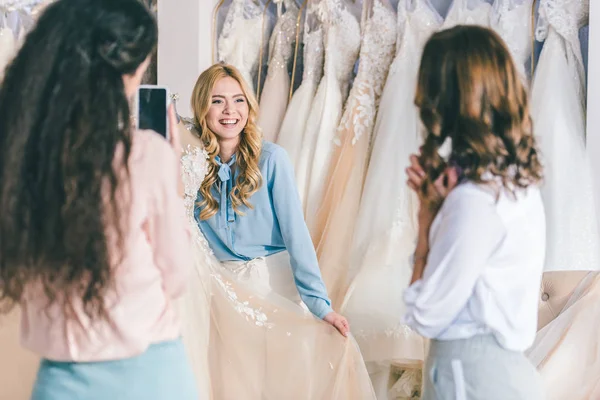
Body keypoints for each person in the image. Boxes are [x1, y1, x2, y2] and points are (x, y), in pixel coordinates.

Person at [0, 0, 197, 399]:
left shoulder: (18, 160)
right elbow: (177, 278)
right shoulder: (146, 156)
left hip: (63, 381)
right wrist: (172, 181)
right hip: (152, 374)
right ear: (127, 70)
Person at [177, 62, 377, 399]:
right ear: (202, 107)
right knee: (233, 385)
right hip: (221, 293)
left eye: (239, 100)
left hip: (272, 288)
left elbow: (298, 238)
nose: (230, 111)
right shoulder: (193, 164)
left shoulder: (272, 160)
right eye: (218, 101)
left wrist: (321, 306)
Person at [402, 25, 546, 399]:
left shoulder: (475, 200)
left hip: (472, 378)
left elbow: (425, 315)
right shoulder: (513, 181)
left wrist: (426, 221)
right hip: (493, 374)